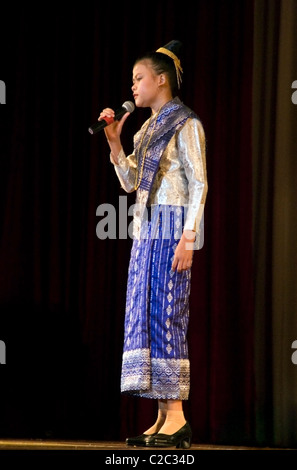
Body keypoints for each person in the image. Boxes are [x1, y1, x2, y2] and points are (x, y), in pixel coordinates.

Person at [98, 40, 208, 448]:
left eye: (138, 78)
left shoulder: (186, 123)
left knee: (167, 312)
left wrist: (189, 238)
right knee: (145, 315)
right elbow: (129, 183)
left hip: (173, 227)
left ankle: (177, 417)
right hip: (146, 230)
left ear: (161, 80)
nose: (133, 87)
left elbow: (199, 183)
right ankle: (162, 416)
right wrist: (114, 142)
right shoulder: (146, 127)